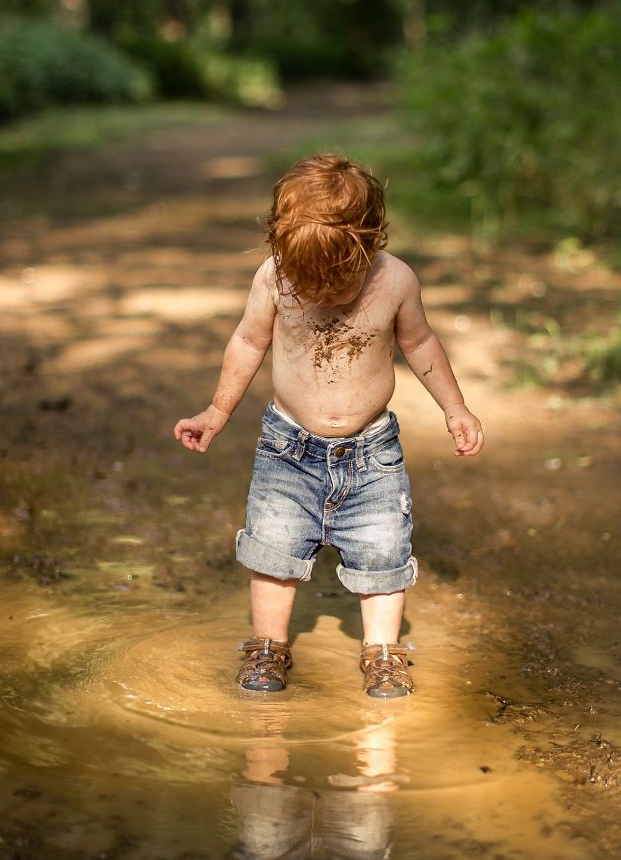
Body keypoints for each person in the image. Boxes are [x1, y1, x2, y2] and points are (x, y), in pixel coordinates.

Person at [174, 154, 483, 698]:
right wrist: (216, 412)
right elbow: (248, 342)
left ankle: (382, 653)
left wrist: (454, 407)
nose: (321, 292)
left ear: (368, 246)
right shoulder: (273, 278)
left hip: (372, 453)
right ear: (281, 252)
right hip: (287, 449)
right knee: (273, 551)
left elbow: (420, 344)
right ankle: (268, 646)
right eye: (307, 279)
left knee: (382, 551)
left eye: (337, 280)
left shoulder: (395, 280)